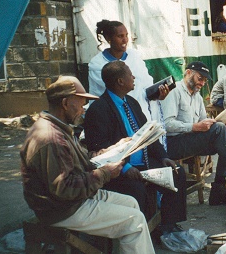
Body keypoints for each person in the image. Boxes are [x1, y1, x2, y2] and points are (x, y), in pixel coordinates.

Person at [20, 76, 154, 254]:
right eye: (81, 104)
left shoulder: (59, 128)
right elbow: (64, 188)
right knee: (135, 221)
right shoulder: (52, 138)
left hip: (70, 202)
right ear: (66, 103)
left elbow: (78, 163)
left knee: (130, 203)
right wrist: (104, 173)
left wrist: (111, 151)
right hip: (61, 209)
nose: (83, 110)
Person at [84, 61, 187, 235]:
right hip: (119, 170)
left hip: (146, 161)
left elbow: (147, 134)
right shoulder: (99, 109)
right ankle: (141, 233)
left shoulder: (131, 102)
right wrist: (125, 168)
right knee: (135, 189)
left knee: (176, 172)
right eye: (130, 75)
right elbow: (100, 150)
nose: (133, 77)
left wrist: (163, 156)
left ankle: (169, 226)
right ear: (120, 81)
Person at [161, 61, 226, 206]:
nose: (202, 83)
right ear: (188, 73)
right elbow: (166, 125)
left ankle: (219, 188)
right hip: (174, 143)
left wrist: (224, 125)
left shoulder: (197, 97)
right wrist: (194, 127)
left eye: (205, 80)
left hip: (190, 140)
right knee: (219, 130)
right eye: (200, 78)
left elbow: (203, 122)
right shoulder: (175, 91)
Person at [88, 20, 169, 144]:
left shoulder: (135, 56)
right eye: (120, 36)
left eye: (126, 35)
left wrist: (157, 94)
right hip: (117, 120)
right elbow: (114, 92)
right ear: (108, 38)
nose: (125, 40)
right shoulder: (97, 63)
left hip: (142, 115)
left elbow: (145, 86)